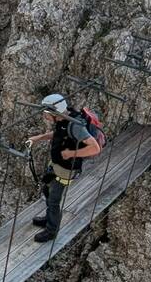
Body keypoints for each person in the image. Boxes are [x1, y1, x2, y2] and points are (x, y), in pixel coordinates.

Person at [25, 92, 102, 242]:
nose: (44, 116)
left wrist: (71, 153)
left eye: (46, 113)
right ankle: (48, 218)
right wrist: (39, 138)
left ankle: (51, 230)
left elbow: (95, 148)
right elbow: (60, 133)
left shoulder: (75, 125)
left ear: (55, 113)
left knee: (54, 199)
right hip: (57, 163)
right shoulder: (64, 118)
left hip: (66, 168)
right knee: (47, 189)